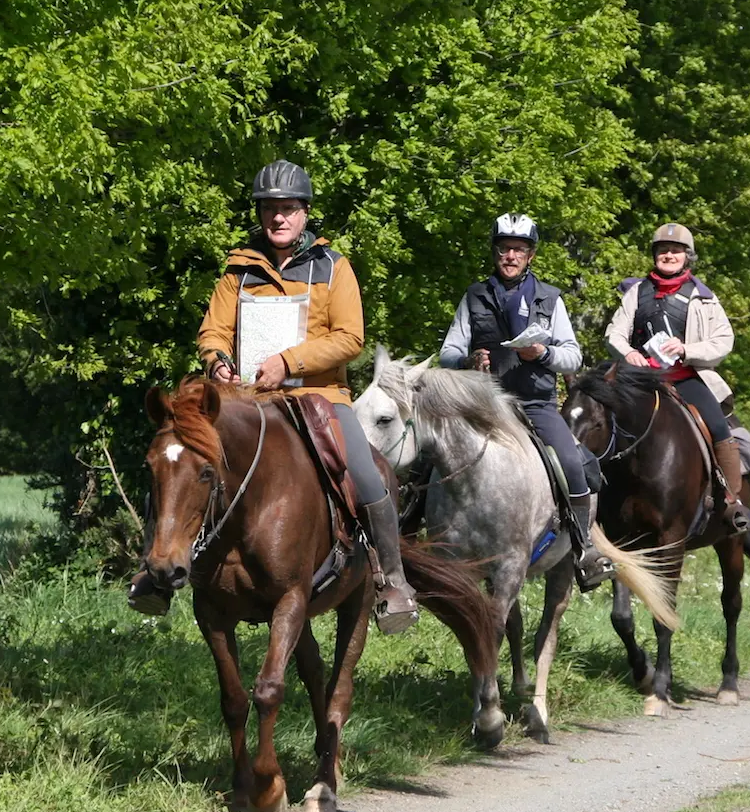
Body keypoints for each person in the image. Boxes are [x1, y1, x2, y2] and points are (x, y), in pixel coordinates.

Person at [128, 159, 420, 634]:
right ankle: (154, 573)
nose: (278, 218)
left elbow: (350, 338)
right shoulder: (239, 269)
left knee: (368, 476)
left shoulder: (333, 268)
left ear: (305, 213)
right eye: (269, 210)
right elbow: (213, 330)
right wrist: (217, 359)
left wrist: (290, 361)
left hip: (318, 394)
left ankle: (393, 581)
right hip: (245, 397)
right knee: (175, 459)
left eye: (287, 209)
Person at [439, 213, 616, 591]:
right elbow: (448, 352)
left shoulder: (550, 298)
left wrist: (543, 353)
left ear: (531, 255)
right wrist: (467, 361)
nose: (511, 256)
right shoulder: (474, 295)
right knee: (427, 457)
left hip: (536, 405)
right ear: (495, 252)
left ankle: (584, 548)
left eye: (518, 249)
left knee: (570, 461)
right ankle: (410, 540)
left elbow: (573, 356)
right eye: (504, 248)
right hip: (483, 404)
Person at [606, 222, 750, 533]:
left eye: (675, 251)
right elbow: (614, 333)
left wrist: (687, 349)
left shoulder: (704, 297)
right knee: (600, 423)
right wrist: (628, 354)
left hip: (686, 378)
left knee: (717, 426)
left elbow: (723, 341)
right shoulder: (636, 292)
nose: (668, 255)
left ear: (688, 257)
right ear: (654, 255)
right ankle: (596, 501)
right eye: (663, 250)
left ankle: (731, 501)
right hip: (640, 381)